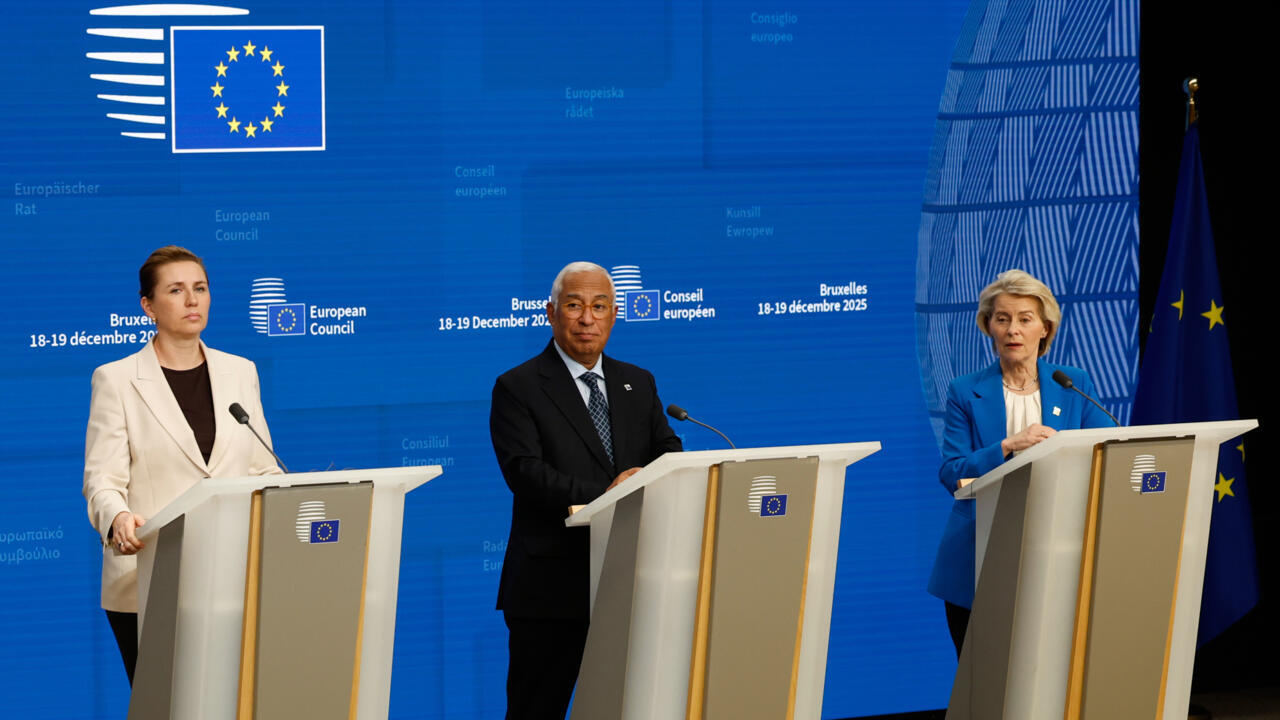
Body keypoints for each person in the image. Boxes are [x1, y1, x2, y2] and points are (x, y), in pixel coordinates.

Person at [489, 261, 682, 719]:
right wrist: (608, 491)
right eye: (574, 306)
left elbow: (667, 452)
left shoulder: (639, 382)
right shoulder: (518, 387)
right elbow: (525, 473)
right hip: (551, 587)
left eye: (599, 307)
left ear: (615, 314)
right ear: (551, 313)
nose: (587, 318)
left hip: (635, 578)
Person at [83, 246, 281, 684]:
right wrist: (116, 517)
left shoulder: (241, 371)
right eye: (176, 290)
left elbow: (264, 468)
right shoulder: (115, 379)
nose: (193, 300)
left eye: (200, 288)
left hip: (234, 575)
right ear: (148, 306)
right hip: (150, 579)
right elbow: (102, 479)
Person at [927, 269, 1113, 656]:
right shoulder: (965, 391)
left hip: (1057, 550)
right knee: (982, 679)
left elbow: (1107, 449)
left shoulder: (1072, 383)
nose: (1013, 329)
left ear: (1044, 328)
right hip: (980, 552)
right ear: (988, 327)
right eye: (1002, 319)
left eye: (1025, 319)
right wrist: (1009, 445)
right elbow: (952, 472)